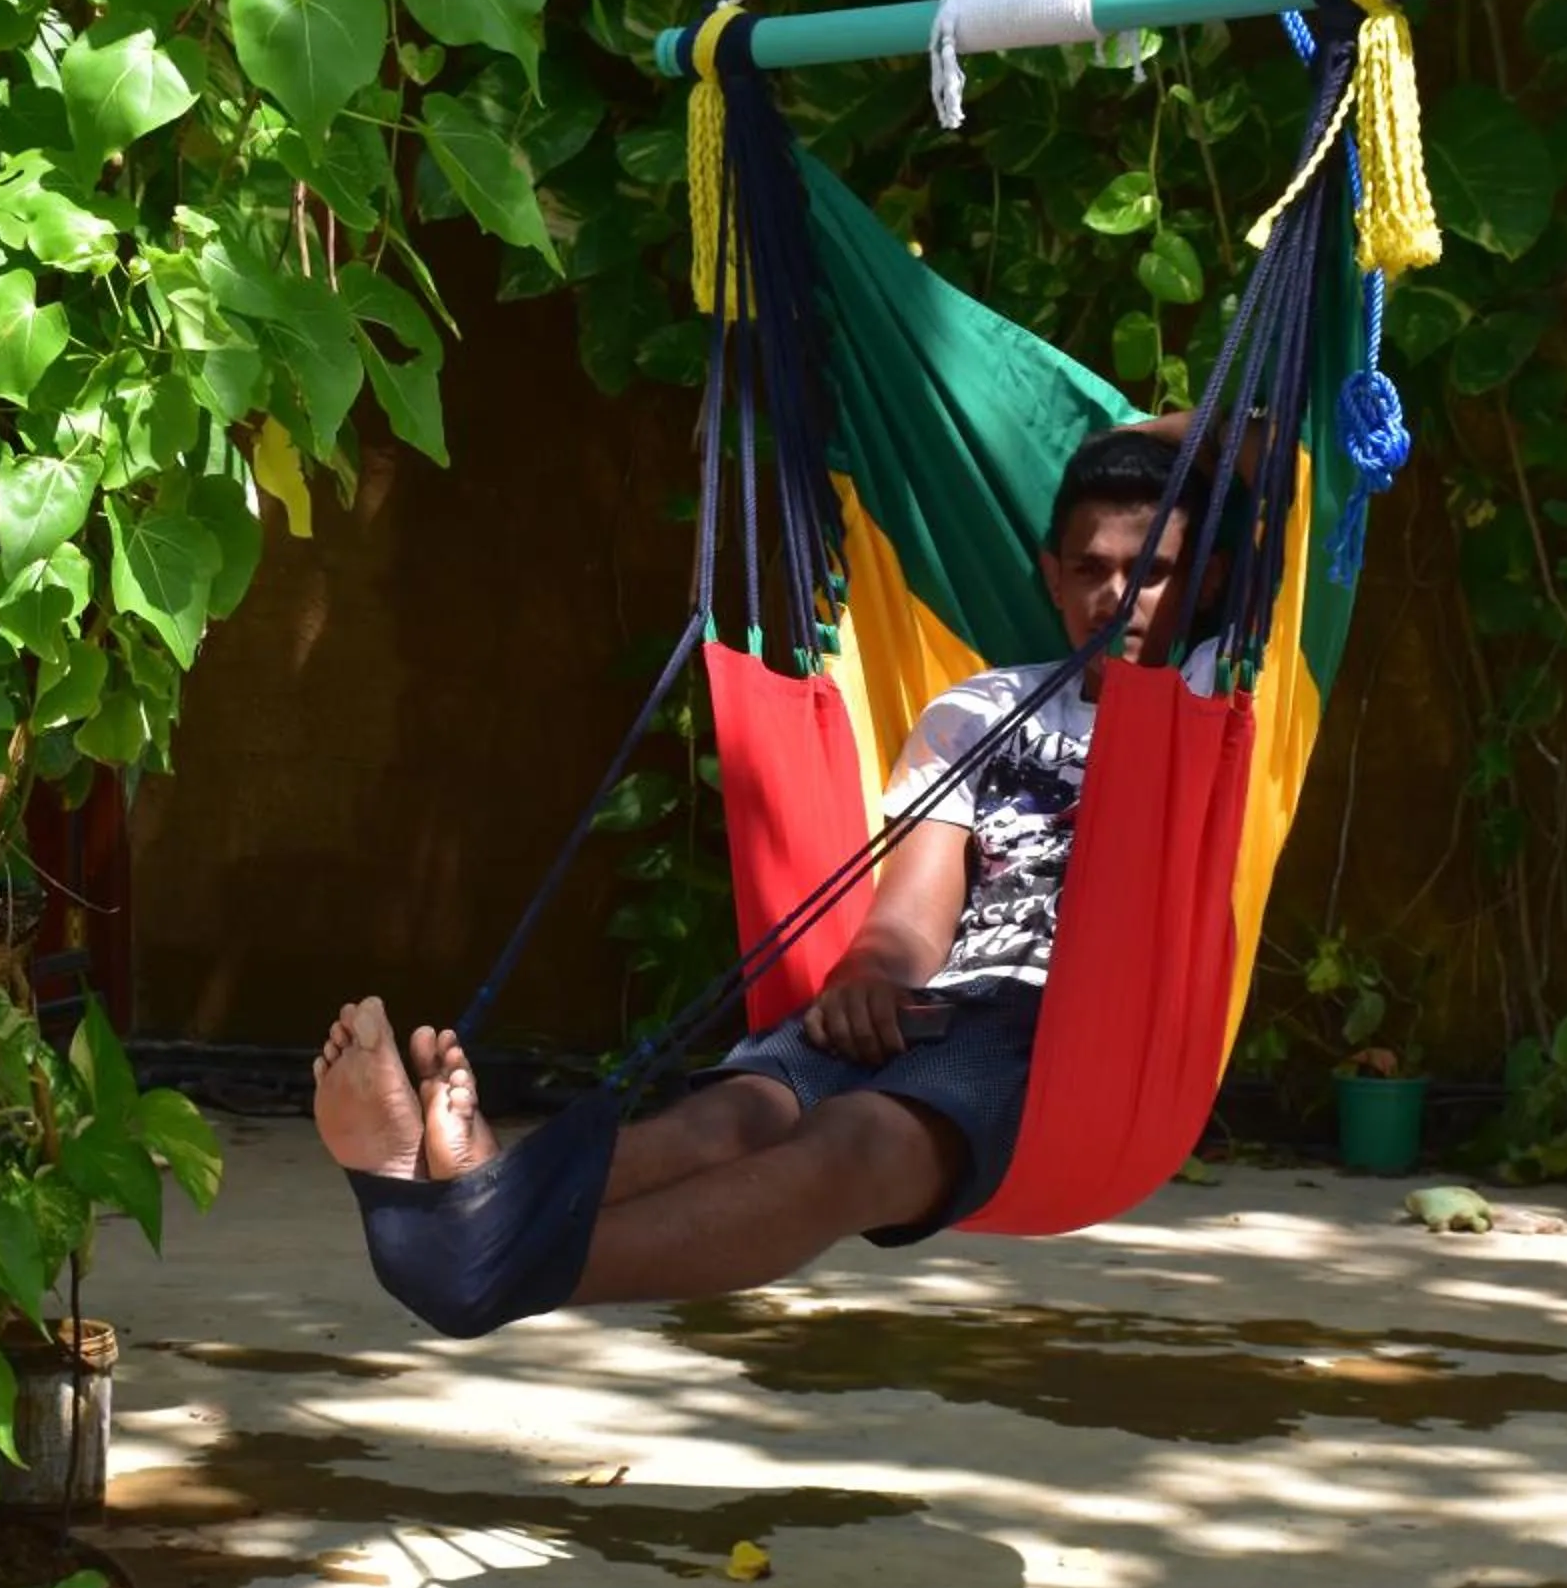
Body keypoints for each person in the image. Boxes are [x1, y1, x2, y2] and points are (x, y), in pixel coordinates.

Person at [315, 424, 1224, 1338]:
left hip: (1070, 1039)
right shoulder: (980, 711)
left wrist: (1133, 435)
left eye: (1150, 571)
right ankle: (476, 1197)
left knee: (855, 1138)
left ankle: (478, 1257)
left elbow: (1283, 448)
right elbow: (913, 916)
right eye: (1089, 568)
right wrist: (868, 977)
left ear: (1209, 579)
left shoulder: (1220, 700)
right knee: (731, 1118)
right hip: (941, 1004)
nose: (1116, 597)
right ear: (1053, 575)